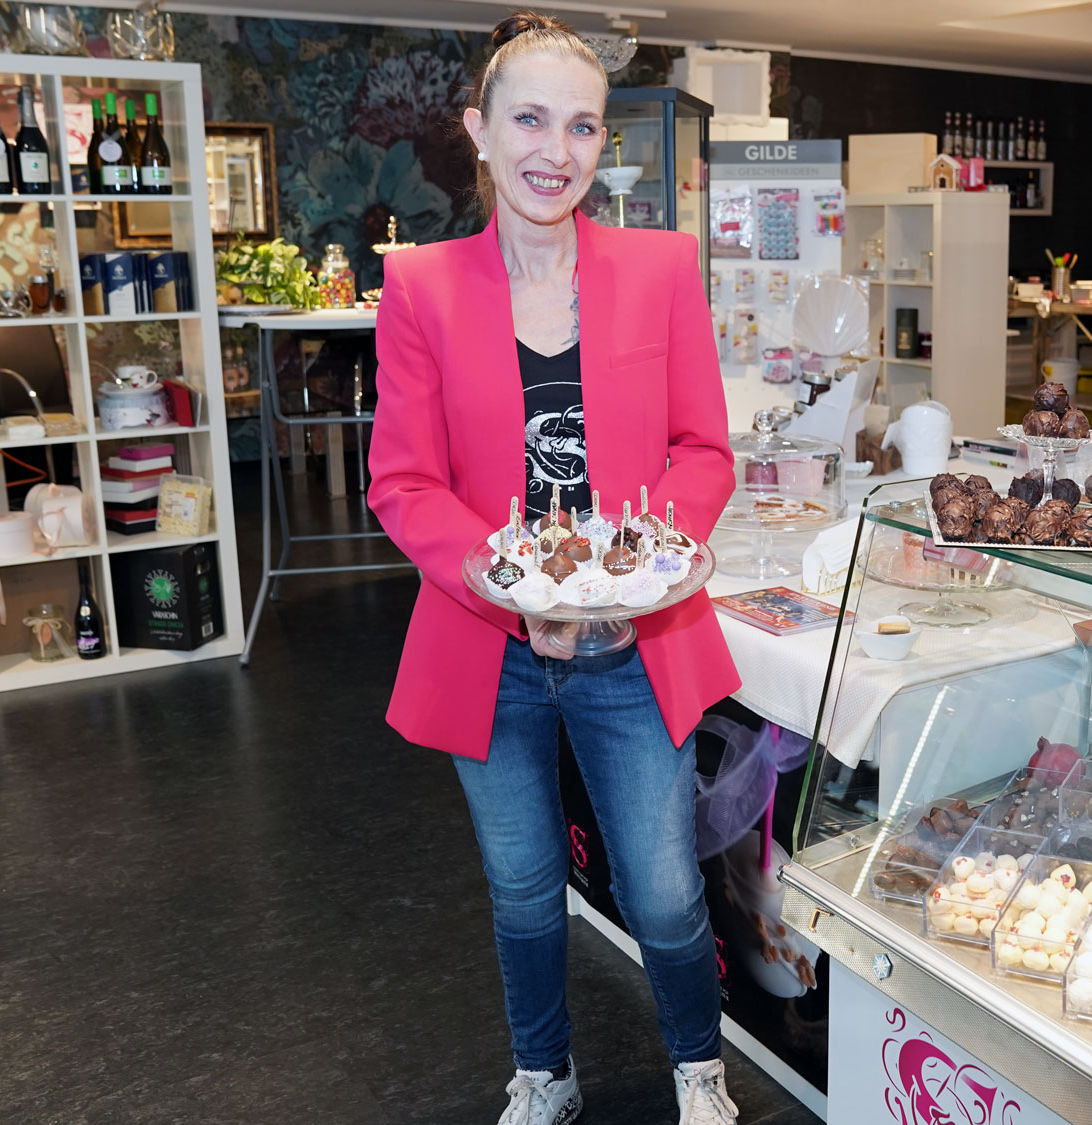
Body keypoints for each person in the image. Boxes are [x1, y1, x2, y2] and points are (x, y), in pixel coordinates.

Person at [367, 11, 741, 1125]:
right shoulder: (422, 287)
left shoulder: (661, 268)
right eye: (529, 119)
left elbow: (701, 451)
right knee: (525, 893)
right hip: (492, 648)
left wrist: (639, 565)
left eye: (580, 126)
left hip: (637, 644)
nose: (555, 150)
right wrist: (498, 581)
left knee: (666, 896)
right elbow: (403, 484)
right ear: (478, 131)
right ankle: (545, 1074)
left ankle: (698, 1070)